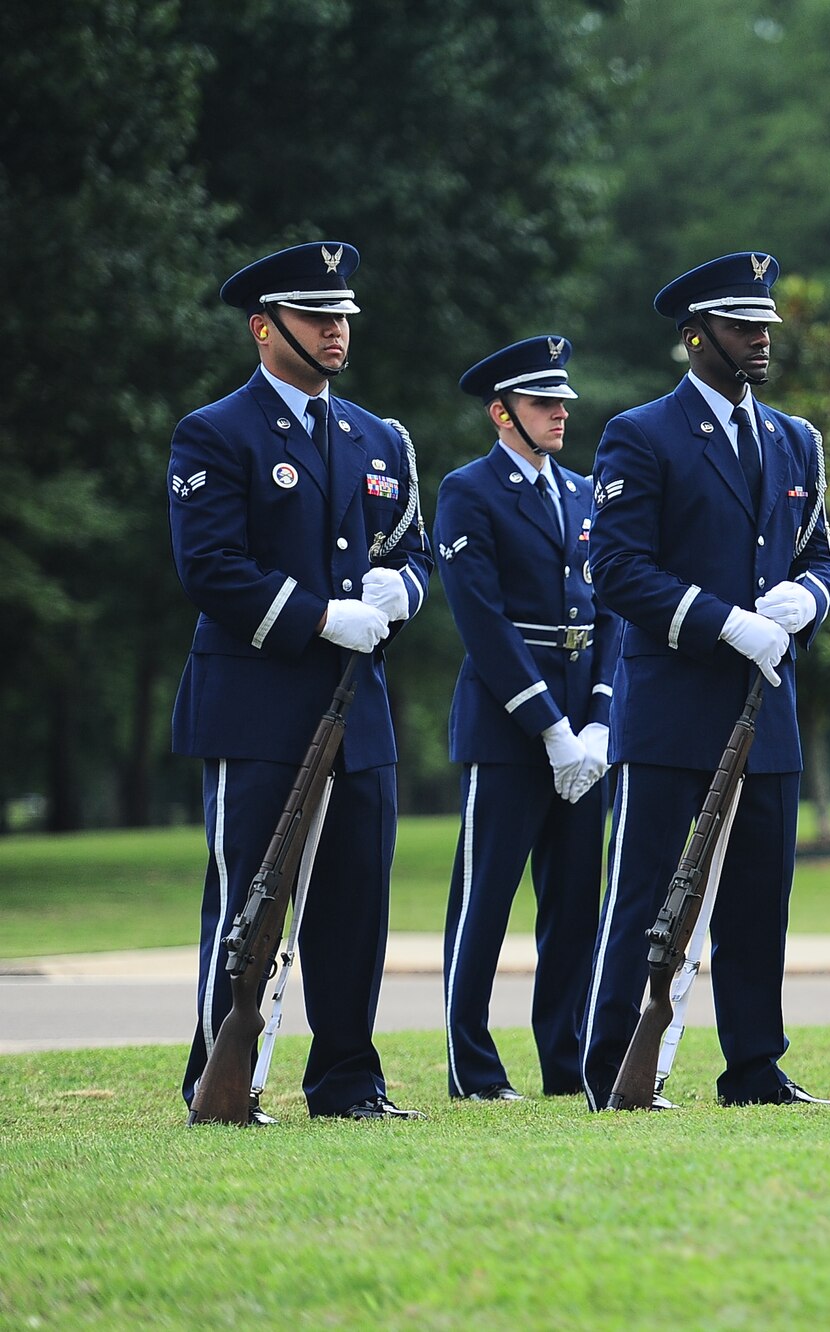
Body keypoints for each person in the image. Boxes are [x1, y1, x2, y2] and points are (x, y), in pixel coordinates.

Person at [168, 241, 432, 1122]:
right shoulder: (217, 431)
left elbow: (414, 553)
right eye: (318, 315)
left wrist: (406, 590)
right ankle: (220, 1078)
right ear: (263, 326)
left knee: (358, 905)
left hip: (358, 710)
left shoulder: (377, 437)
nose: (337, 329)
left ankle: (350, 1081)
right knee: (250, 896)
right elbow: (209, 566)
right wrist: (319, 617)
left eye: (344, 315)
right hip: (258, 704)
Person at [578, 252, 830, 1109]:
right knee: (647, 889)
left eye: (764, 324)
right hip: (673, 705)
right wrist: (724, 620)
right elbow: (617, 570)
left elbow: (820, 555)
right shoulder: (640, 434)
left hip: (767, 707)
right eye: (740, 326)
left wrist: (807, 597)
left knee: (759, 901)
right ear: (696, 336)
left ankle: (754, 1067)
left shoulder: (795, 438)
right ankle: (616, 1064)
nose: (761, 339)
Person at [434, 335, 618, 1102]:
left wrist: (602, 720)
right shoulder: (469, 490)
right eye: (543, 404)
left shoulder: (580, 493)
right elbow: (483, 622)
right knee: (485, 904)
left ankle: (564, 1062)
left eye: (563, 403)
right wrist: (548, 726)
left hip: (584, 728)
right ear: (500, 412)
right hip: (511, 730)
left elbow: (610, 611)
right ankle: (471, 1068)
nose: (559, 415)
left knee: (575, 906)